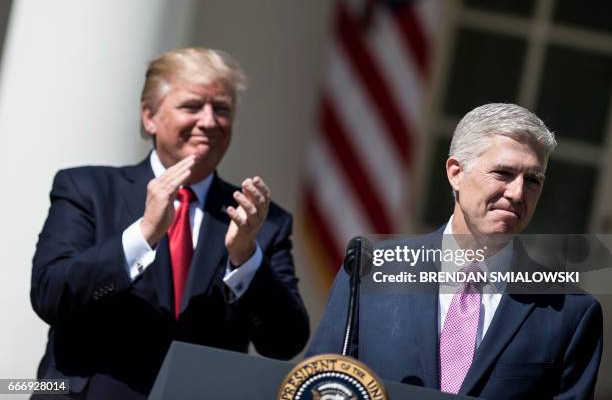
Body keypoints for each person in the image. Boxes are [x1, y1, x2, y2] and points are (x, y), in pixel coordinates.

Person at [31, 47, 309, 399]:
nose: (209, 121)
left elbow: (285, 342)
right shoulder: (86, 189)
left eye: (221, 109)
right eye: (192, 106)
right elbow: (50, 295)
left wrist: (245, 258)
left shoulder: (259, 220)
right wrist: (143, 234)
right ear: (150, 117)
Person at [307, 103, 603, 399]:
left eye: (533, 180)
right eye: (503, 173)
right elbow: (317, 386)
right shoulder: (372, 271)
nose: (517, 193)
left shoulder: (570, 311)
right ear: (455, 173)